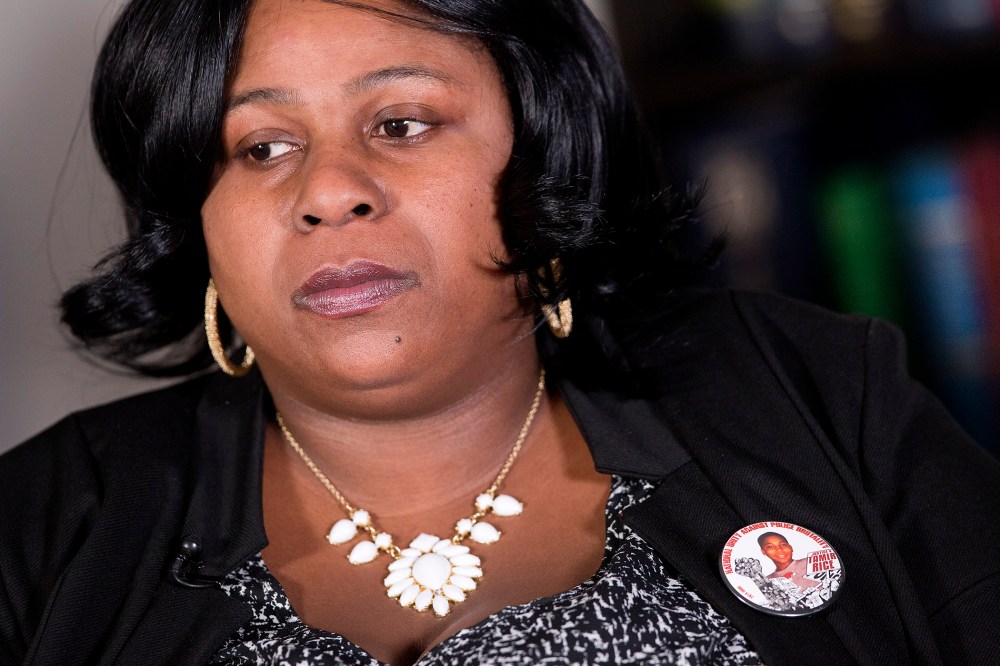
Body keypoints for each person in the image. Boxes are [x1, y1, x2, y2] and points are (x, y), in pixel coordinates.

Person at [1, 0, 998, 664]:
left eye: (400, 124)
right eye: (260, 146)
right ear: (197, 220)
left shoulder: (819, 396)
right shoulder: (38, 527)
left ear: (543, 154)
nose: (329, 192)